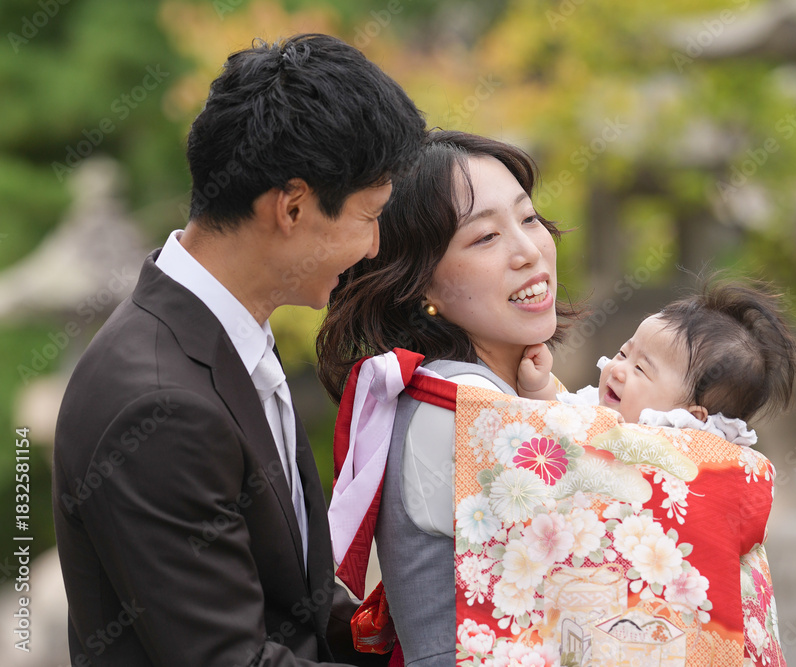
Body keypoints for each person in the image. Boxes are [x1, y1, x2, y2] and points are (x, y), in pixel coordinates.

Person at [53, 34, 425, 666]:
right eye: (369, 217)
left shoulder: (224, 336)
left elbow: (295, 605)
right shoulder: (158, 404)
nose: (374, 247)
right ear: (293, 207)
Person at [317, 130, 575, 666]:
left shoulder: (473, 393)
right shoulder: (462, 405)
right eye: (486, 237)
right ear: (423, 283)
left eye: (528, 218)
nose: (529, 251)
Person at [518, 281, 796, 444]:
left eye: (640, 369)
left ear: (690, 418)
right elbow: (556, 420)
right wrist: (538, 386)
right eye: (623, 353)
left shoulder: (674, 437)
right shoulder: (595, 406)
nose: (618, 370)